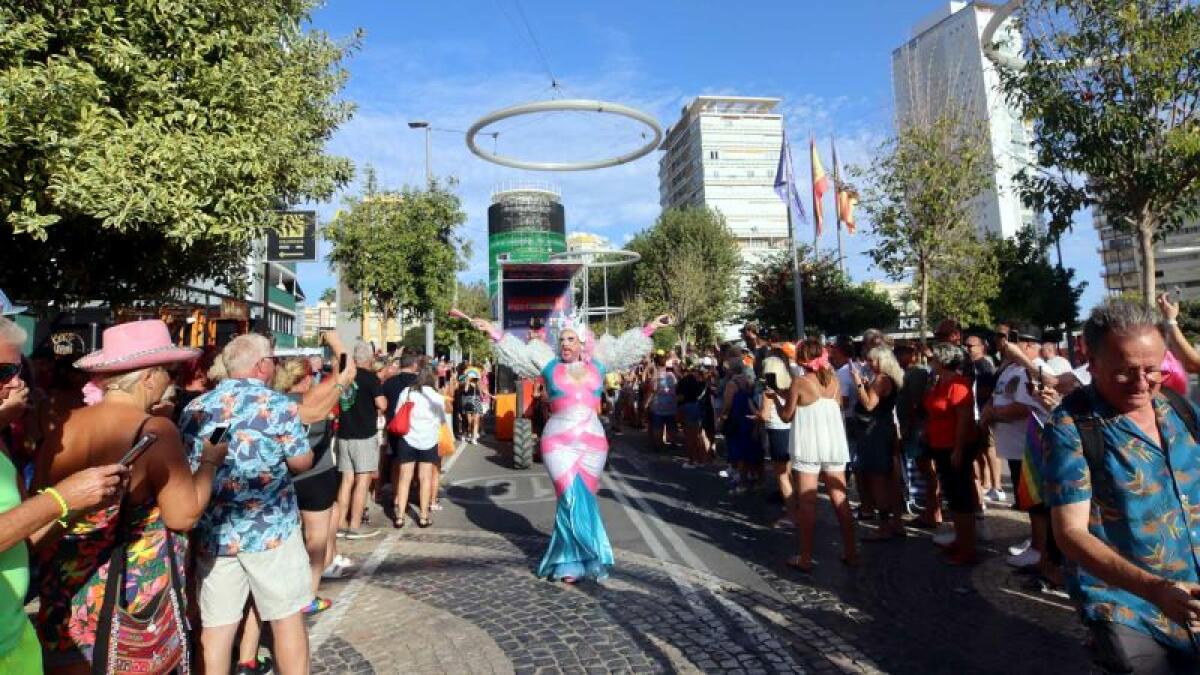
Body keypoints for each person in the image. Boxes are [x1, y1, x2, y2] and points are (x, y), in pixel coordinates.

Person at [34, 320, 227, 674]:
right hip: (127, 599)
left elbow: (41, 506)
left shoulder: (63, 424)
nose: (172, 379)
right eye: (169, 371)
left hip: (65, 588)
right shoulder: (154, 430)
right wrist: (210, 463)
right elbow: (183, 515)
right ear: (149, 376)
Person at [1044, 300, 1200, 673]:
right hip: (1128, 605)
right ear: (1092, 363)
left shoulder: (1179, 408)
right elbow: (1070, 533)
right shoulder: (1072, 427)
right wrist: (1155, 589)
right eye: (1124, 372)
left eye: (1152, 370)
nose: (1142, 383)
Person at [466, 312, 671, 582]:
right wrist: (491, 330)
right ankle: (568, 559)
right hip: (558, 442)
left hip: (592, 443)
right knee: (568, 496)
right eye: (562, 339)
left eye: (571, 339)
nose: (565, 344)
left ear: (582, 343)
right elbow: (514, 350)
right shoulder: (548, 366)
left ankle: (586, 555)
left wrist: (652, 326)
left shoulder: (598, 366)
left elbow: (624, 348)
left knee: (585, 498)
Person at [0, 318, 136, 674]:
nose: (17, 383)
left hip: (15, 643)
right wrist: (60, 498)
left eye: (18, 370)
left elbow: (23, 541)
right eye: (3, 372)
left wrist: (80, 506)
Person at [180, 334, 314, 675]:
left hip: (216, 533)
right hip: (271, 531)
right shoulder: (278, 406)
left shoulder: (196, 408)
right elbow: (300, 462)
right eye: (272, 358)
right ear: (261, 365)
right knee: (285, 620)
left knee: (217, 628)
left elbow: (190, 463)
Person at [273, 336, 356, 607]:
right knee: (316, 539)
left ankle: (284, 590)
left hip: (282, 478)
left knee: (288, 537)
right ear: (306, 378)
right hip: (317, 477)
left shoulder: (274, 403)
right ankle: (308, 593)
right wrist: (336, 342)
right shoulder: (314, 401)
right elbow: (346, 371)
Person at [770, 337, 857, 572]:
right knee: (840, 499)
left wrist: (777, 401)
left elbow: (787, 415)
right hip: (833, 443)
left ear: (802, 357)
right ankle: (851, 552)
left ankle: (806, 557)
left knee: (807, 502)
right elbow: (838, 406)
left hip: (809, 444)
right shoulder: (835, 381)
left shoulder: (800, 381)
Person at [922, 343, 981, 565]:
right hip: (940, 445)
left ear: (944, 360)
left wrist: (958, 449)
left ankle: (968, 548)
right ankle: (961, 539)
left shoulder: (957, 384)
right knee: (953, 496)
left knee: (960, 497)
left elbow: (963, 420)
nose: (931, 360)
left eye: (934, 357)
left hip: (955, 447)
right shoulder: (940, 382)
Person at [852, 346, 905, 540]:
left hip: (875, 431)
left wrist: (858, 384)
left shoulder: (882, 379)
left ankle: (884, 527)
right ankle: (897, 523)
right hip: (885, 428)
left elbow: (869, 405)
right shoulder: (891, 378)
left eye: (872, 360)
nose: (868, 363)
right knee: (891, 477)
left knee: (878, 478)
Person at [335, 342, 385, 539]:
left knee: (346, 480)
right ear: (370, 359)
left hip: (344, 433)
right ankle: (355, 525)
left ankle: (340, 523)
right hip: (364, 434)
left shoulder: (345, 375)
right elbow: (381, 403)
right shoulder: (370, 378)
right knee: (362, 481)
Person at [390, 366, 449, 528]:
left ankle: (400, 516)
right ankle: (423, 517)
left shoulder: (407, 392)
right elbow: (442, 420)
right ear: (432, 379)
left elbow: (397, 413)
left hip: (407, 439)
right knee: (425, 479)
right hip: (429, 441)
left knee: (404, 478)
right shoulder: (436, 397)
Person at [758, 350, 796, 528]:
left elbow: (765, 416)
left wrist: (755, 413)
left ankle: (791, 515)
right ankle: (793, 507)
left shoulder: (769, 391)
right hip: (792, 431)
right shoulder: (790, 386)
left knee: (781, 476)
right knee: (790, 474)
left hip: (777, 431)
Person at [719, 361, 760, 492]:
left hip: (736, 419)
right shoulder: (749, 380)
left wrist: (722, 418)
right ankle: (750, 477)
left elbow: (727, 404)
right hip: (749, 419)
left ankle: (741, 481)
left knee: (739, 452)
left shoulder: (732, 383)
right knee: (749, 450)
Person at [676, 360, 708, 468]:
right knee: (698, 435)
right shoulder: (701, 381)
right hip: (698, 408)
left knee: (689, 436)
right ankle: (701, 460)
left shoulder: (684, 381)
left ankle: (691, 461)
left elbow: (680, 397)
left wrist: (677, 407)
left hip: (687, 407)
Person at [460, 367, 485, 444]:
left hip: (477, 401)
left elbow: (481, 393)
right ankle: (470, 433)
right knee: (470, 421)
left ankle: (474, 437)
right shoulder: (467, 382)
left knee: (476, 420)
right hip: (468, 402)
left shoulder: (478, 383)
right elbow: (465, 391)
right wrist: (467, 382)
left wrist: (483, 394)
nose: (473, 377)